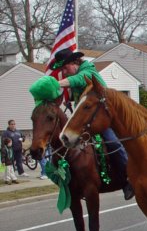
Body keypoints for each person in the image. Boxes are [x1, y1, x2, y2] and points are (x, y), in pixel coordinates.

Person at [50, 48, 134, 200]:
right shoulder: (74, 79)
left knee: (113, 143)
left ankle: (128, 180)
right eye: (62, 69)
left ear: (75, 63)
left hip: (103, 119)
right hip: (85, 123)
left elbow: (80, 79)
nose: (65, 71)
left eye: (65, 68)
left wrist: (55, 84)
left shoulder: (89, 72)